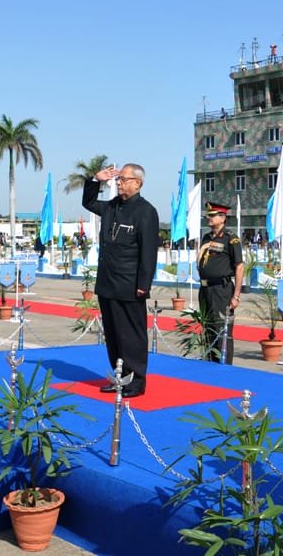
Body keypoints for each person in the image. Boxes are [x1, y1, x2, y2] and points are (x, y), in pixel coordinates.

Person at [83, 163, 159, 398]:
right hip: (108, 281)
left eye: (123, 179)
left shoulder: (145, 211)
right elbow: (89, 202)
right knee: (114, 334)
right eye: (118, 179)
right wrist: (96, 181)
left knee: (132, 335)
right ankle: (120, 377)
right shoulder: (113, 207)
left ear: (137, 183)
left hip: (129, 283)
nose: (118, 183)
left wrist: (143, 285)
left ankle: (136, 381)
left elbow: (148, 252)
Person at [197, 202, 243, 363]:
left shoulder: (231, 239)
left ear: (222, 218)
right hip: (205, 289)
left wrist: (236, 295)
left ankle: (224, 366)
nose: (208, 218)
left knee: (222, 330)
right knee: (208, 328)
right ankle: (209, 362)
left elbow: (239, 267)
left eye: (212, 215)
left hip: (221, 290)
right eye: (208, 215)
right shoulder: (206, 237)